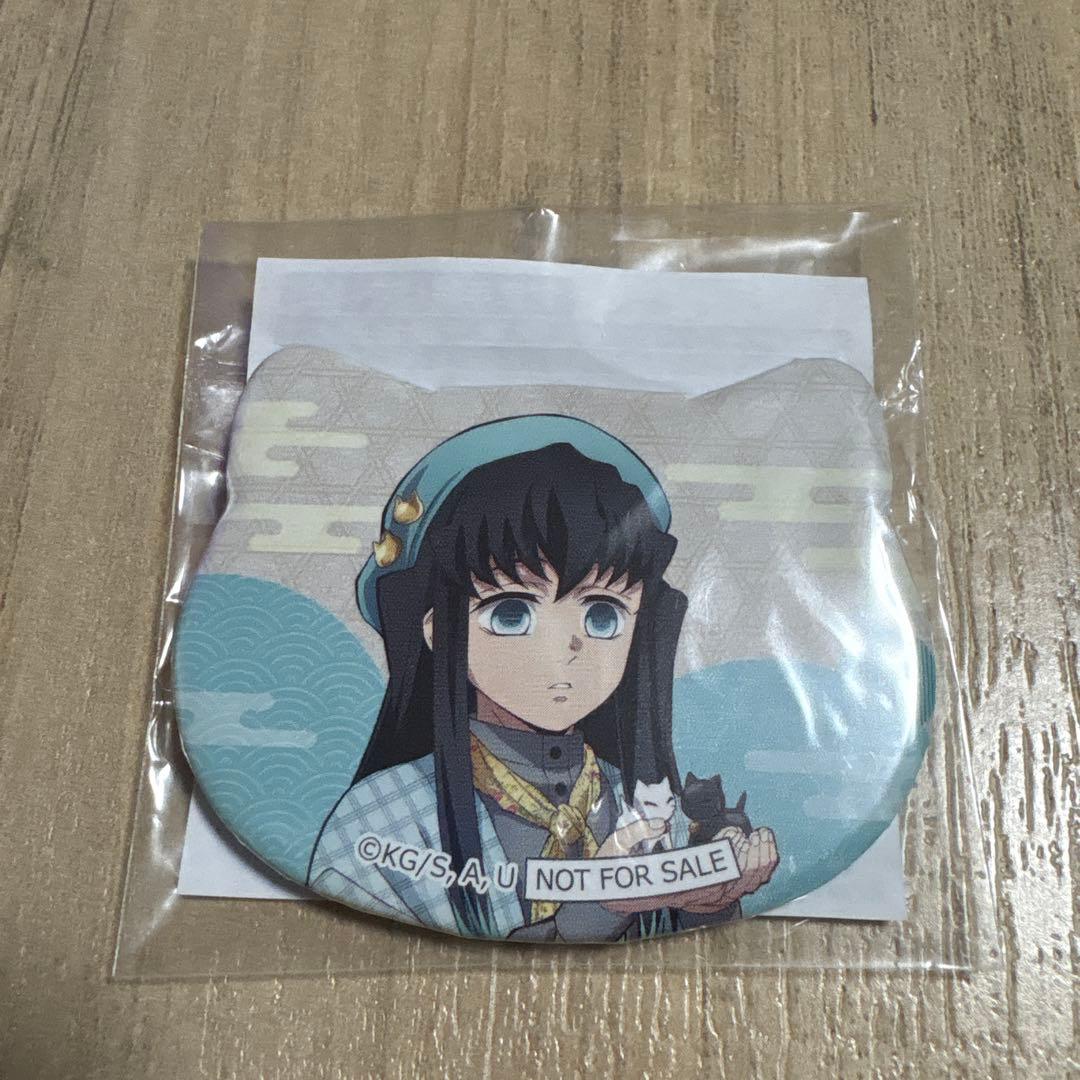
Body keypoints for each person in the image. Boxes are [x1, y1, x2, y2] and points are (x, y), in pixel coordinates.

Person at [309, 415, 777, 941]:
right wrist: (602, 906)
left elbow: (664, 946)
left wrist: (707, 905)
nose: (566, 648)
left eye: (602, 615)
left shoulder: (640, 799)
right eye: (512, 613)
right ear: (438, 629)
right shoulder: (381, 817)